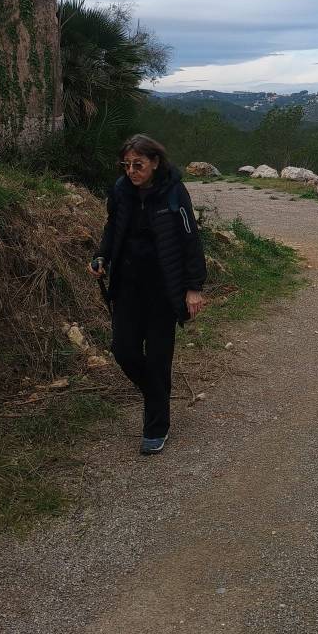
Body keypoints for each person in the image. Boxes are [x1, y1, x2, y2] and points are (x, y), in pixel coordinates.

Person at [89, 135, 207, 455]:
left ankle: (156, 427)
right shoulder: (121, 191)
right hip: (127, 287)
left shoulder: (174, 192)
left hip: (163, 291)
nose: (131, 171)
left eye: (138, 165)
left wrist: (194, 288)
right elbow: (112, 228)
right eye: (126, 165)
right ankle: (157, 397)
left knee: (157, 359)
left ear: (155, 162)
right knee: (123, 350)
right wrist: (102, 256)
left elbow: (190, 240)